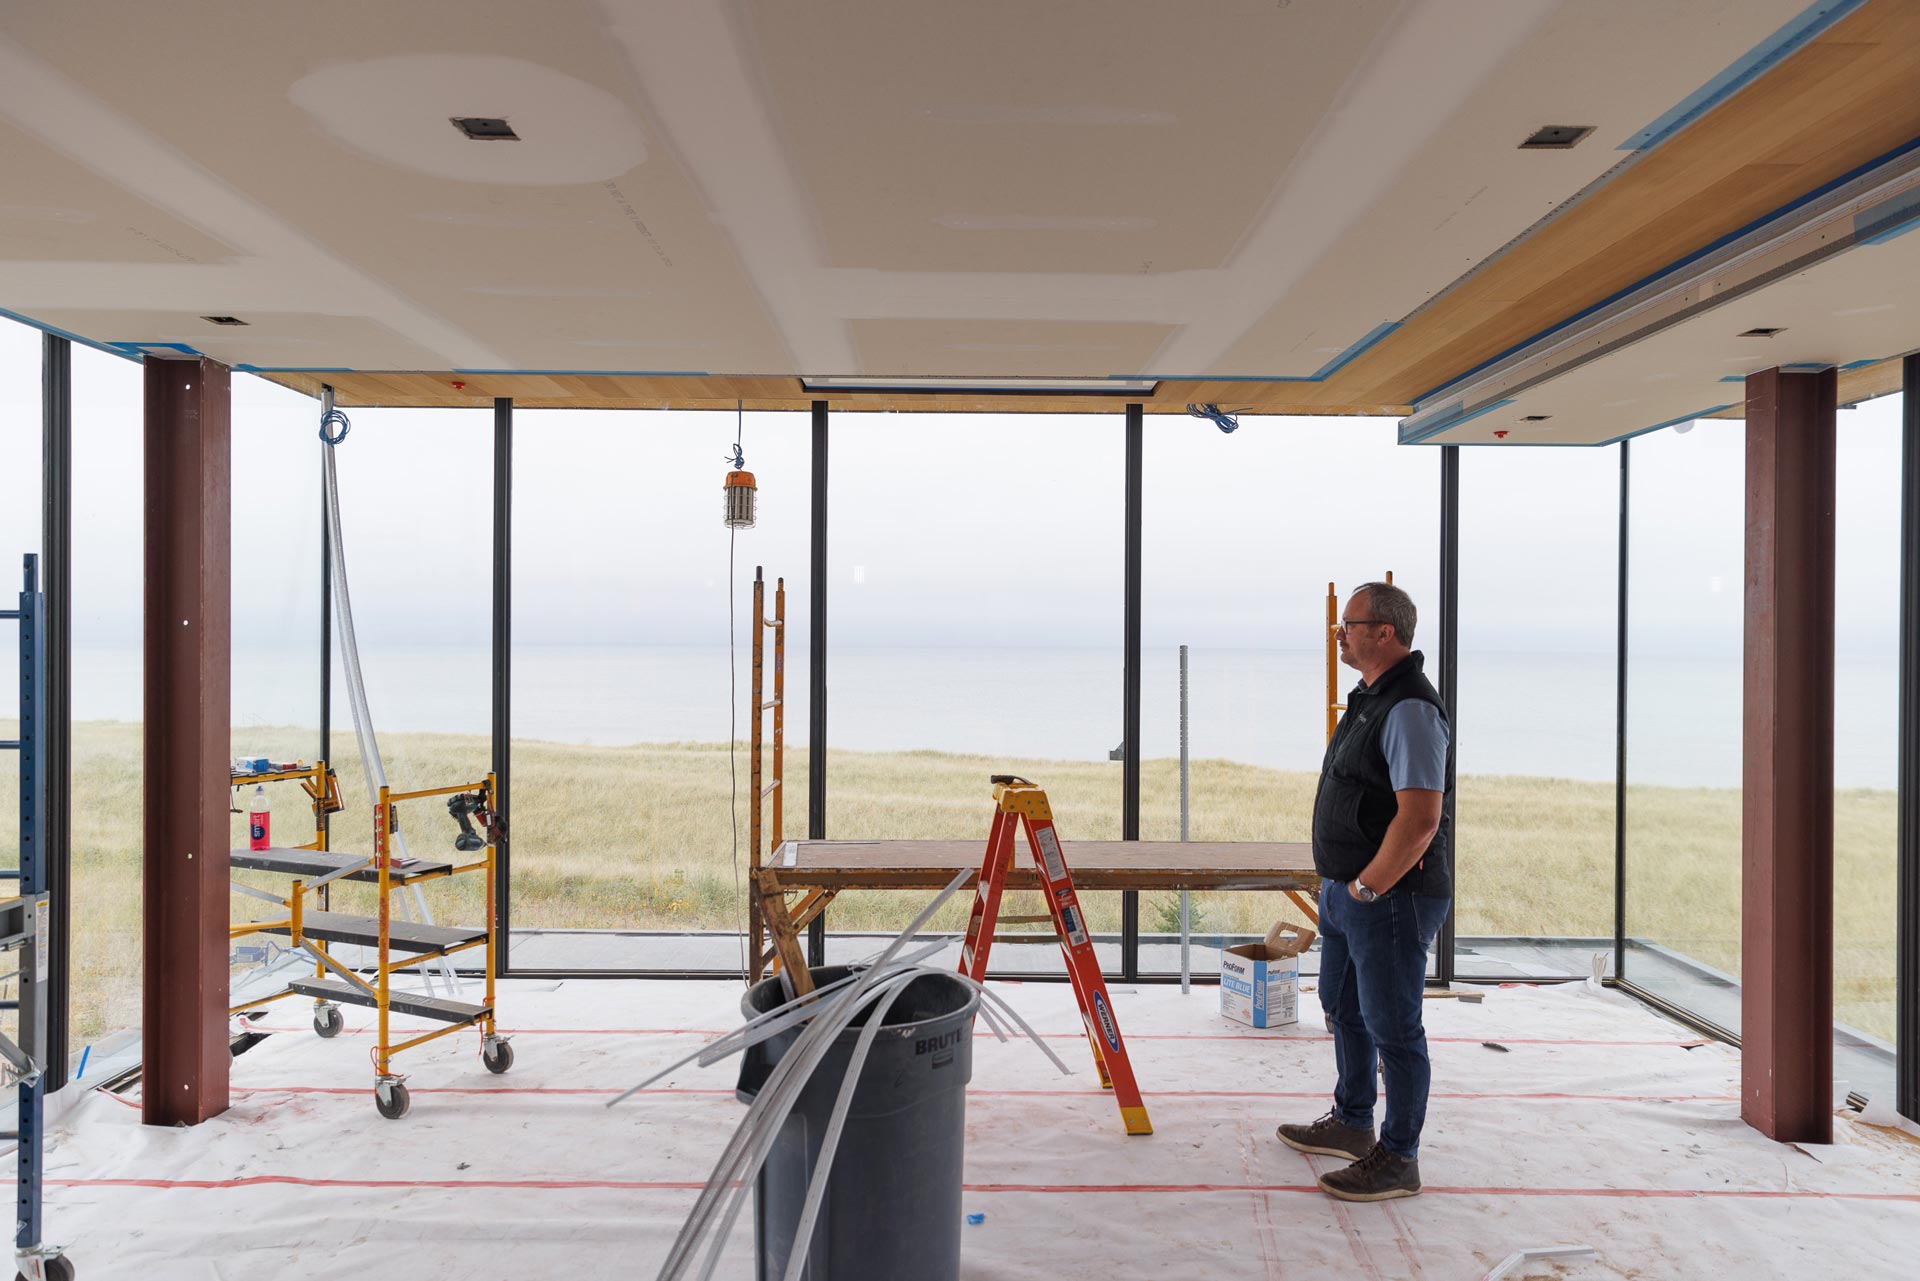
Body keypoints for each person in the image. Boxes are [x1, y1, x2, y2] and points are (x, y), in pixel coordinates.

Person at [1276, 581, 1452, 1202]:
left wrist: (1368, 889)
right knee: (1343, 1006)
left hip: (1390, 898)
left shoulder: (1410, 708)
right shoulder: (1371, 698)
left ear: (1385, 632)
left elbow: (1421, 818)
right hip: (1349, 893)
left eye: (1348, 624)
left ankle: (1399, 1158)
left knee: (1393, 1028)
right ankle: (1353, 1122)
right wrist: (1342, 887)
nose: (1339, 634)